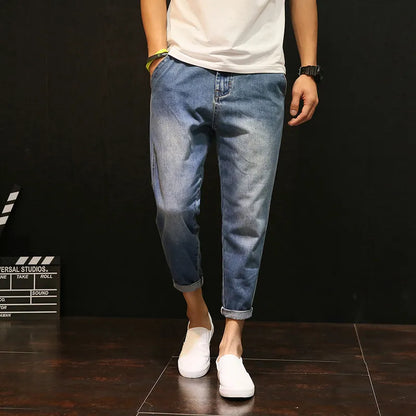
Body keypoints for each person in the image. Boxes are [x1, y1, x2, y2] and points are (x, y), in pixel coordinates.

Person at [140, 0, 320, 399]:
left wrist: (308, 69)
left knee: (248, 217)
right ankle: (197, 316)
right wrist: (157, 56)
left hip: (259, 77)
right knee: (173, 207)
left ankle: (232, 342)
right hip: (182, 70)